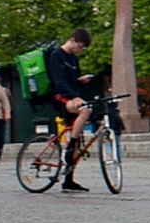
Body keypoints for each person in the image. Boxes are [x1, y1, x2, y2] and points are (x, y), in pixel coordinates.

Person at [41, 28, 106, 193]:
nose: (81, 50)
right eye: (81, 47)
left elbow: (71, 81)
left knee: (79, 144)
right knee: (86, 110)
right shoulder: (56, 55)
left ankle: (68, 180)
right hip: (59, 96)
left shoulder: (73, 59)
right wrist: (73, 97)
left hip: (71, 96)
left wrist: (80, 81)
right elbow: (59, 81)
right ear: (73, 40)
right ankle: (69, 148)